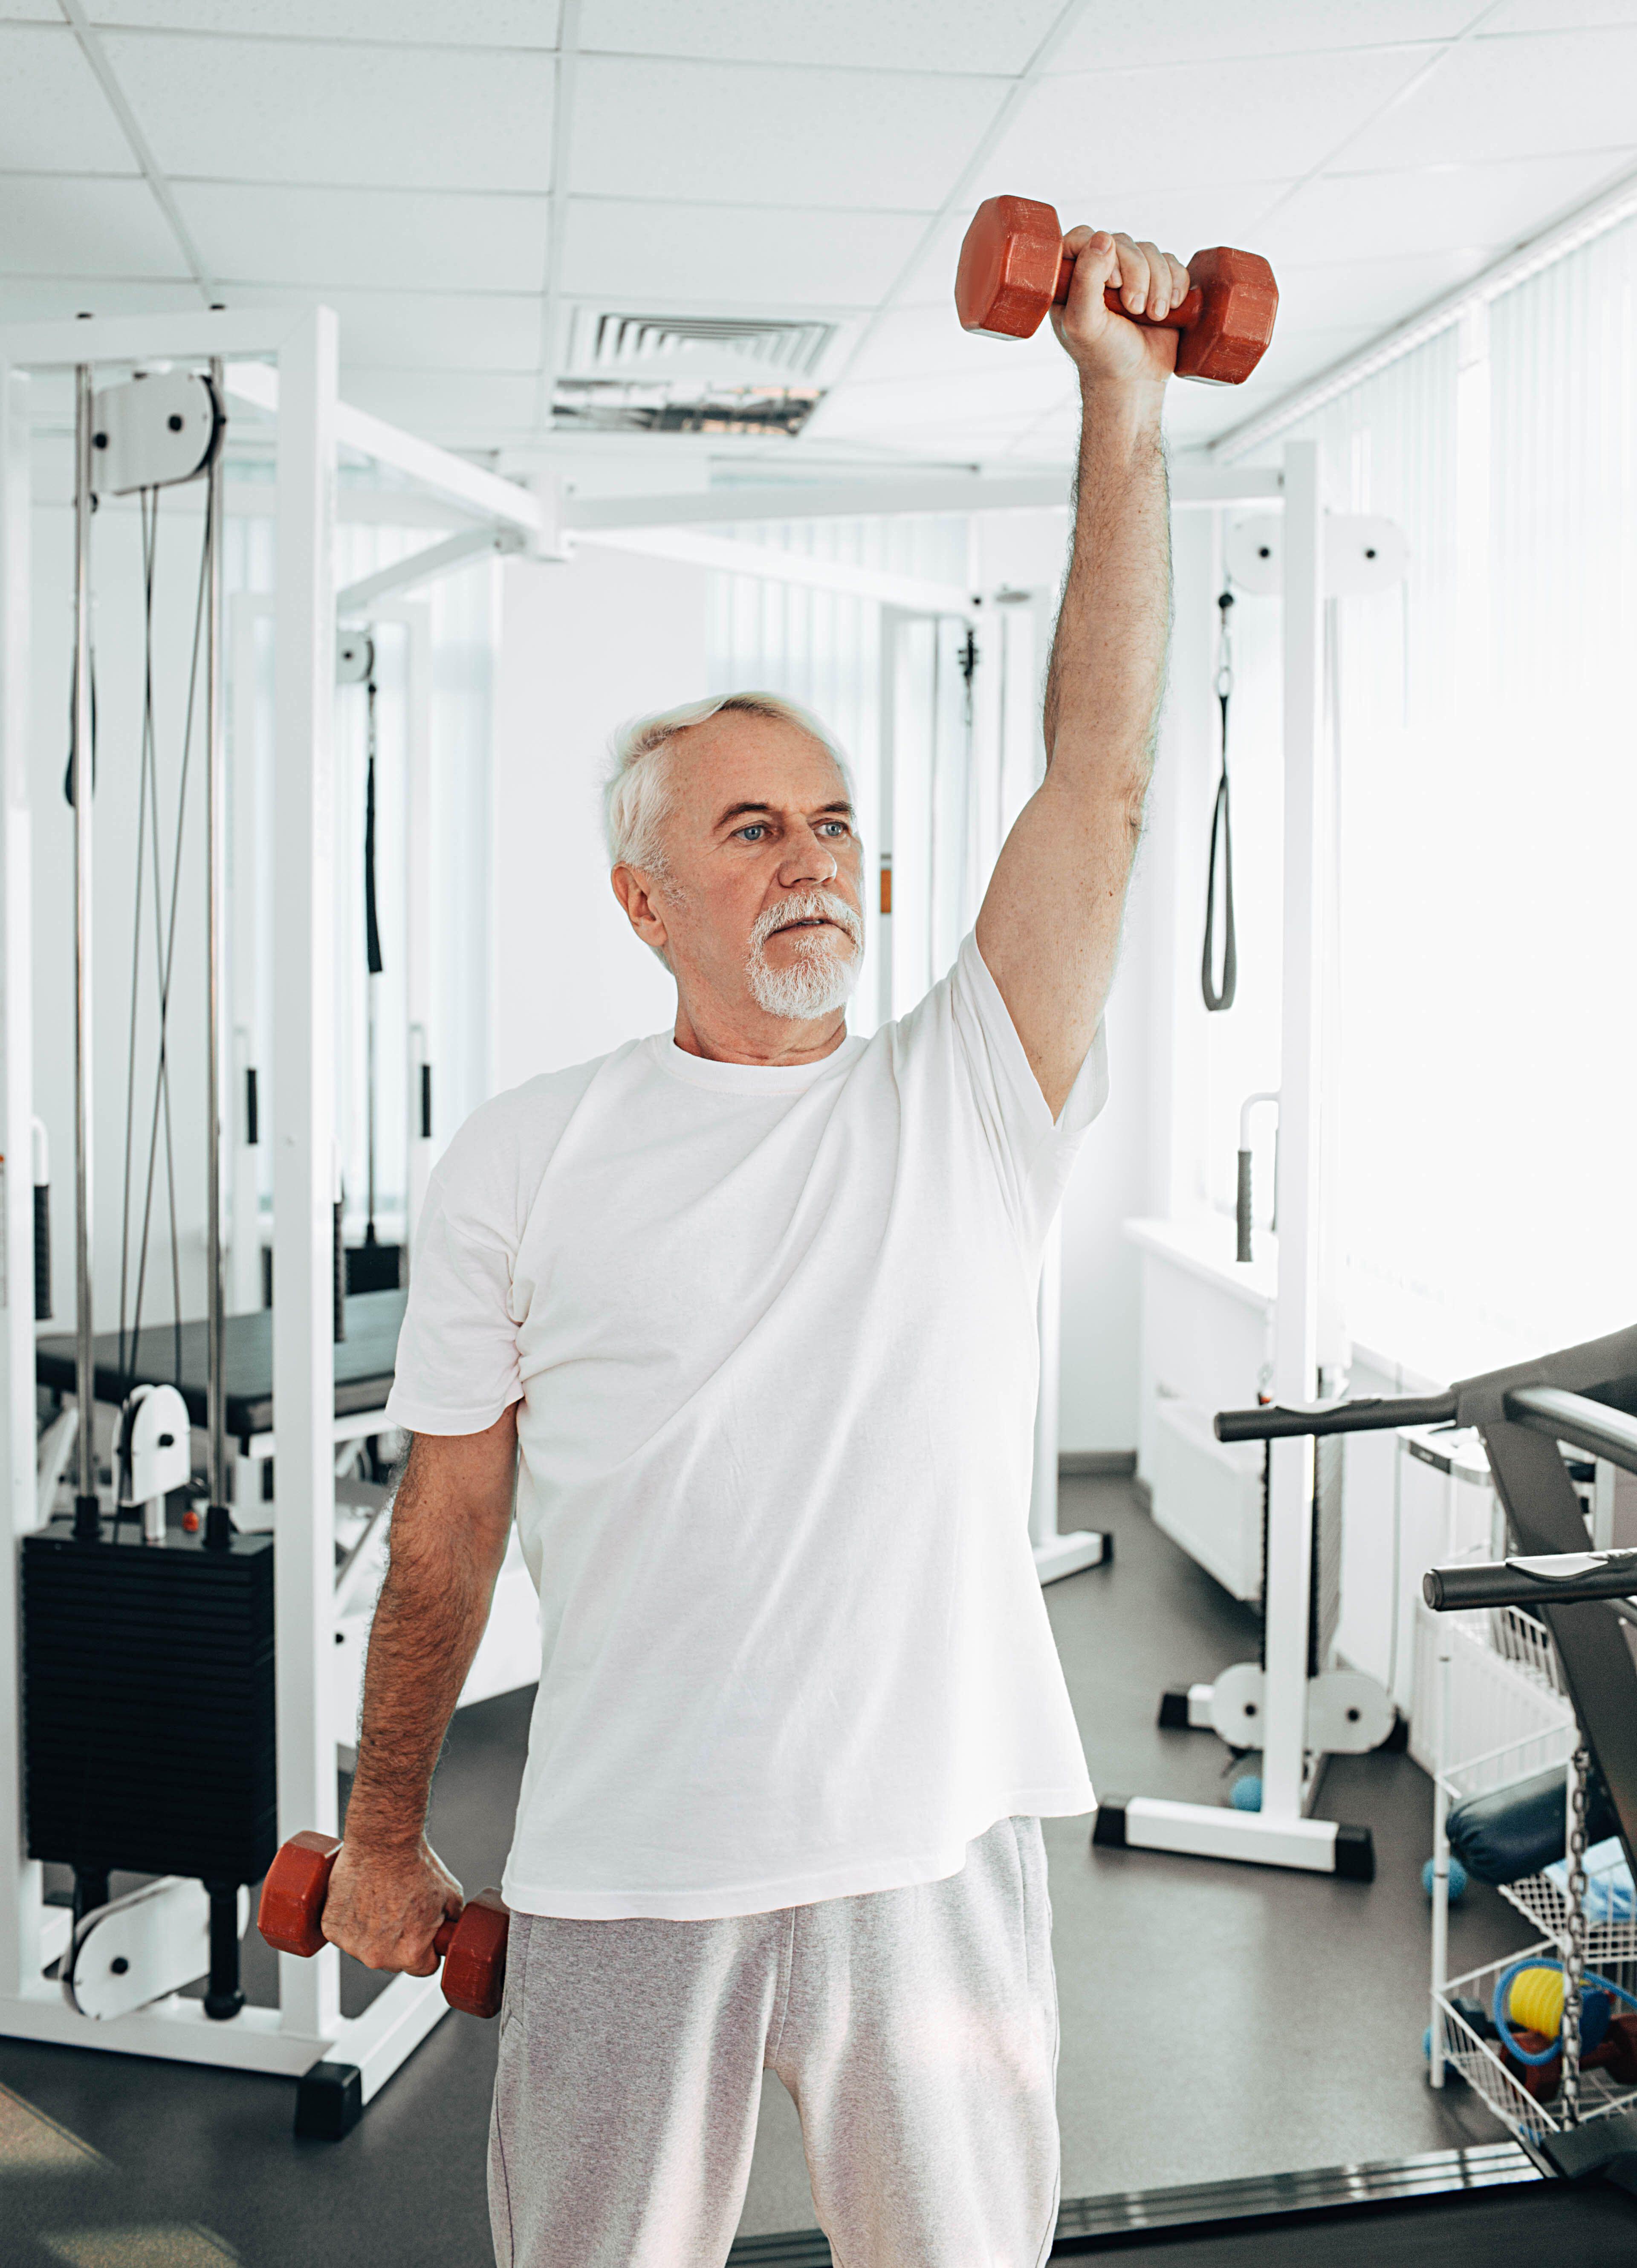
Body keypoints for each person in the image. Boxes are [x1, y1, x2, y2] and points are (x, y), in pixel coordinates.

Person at [324, 225, 1187, 2268]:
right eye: (747, 830)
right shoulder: (527, 1158)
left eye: (829, 826)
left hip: (933, 1863)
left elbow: (1107, 774)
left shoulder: (966, 1092)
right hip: (630, 1868)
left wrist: (1120, 407)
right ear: (643, 902)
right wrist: (379, 1831)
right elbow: (443, 1537)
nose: (811, 861)